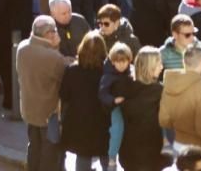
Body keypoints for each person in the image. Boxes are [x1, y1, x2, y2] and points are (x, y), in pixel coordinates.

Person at [18, 15, 69, 171]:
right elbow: (65, 78)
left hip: (29, 109)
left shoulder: (22, 47)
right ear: (49, 35)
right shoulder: (52, 57)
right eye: (54, 31)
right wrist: (56, 47)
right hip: (49, 114)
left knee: (34, 147)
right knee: (50, 153)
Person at [61, 30, 111, 170]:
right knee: (106, 156)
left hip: (79, 122)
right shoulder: (108, 73)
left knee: (83, 156)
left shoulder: (72, 70)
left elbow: (64, 95)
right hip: (103, 123)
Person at [120, 47, 166, 171]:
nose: (162, 66)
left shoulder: (125, 88)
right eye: (159, 63)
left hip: (129, 152)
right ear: (150, 66)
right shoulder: (160, 91)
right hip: (152, 152)